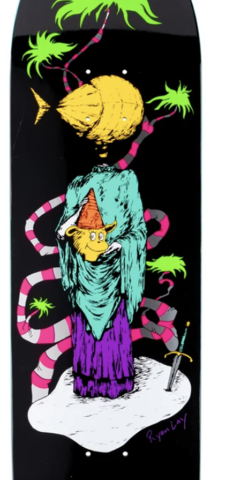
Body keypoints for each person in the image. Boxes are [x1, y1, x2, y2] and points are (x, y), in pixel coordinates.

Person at [57, 163, 147, 398]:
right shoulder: (77, 185)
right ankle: (88, 384)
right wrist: (77, 214)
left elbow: (138, 230)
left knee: (112, 333)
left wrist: (119, 244)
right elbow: (62, 232)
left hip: (114, 276)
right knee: (86, 334)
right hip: (84, 277)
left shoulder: (127, 180)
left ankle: (115, 383)